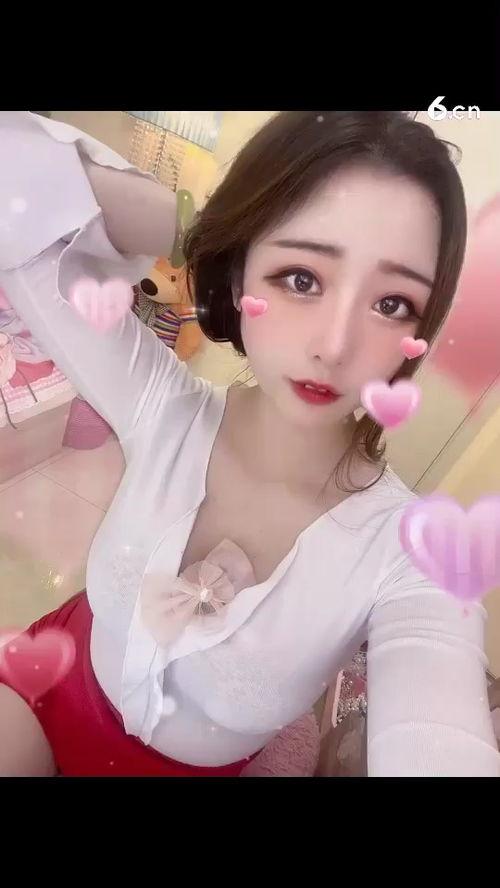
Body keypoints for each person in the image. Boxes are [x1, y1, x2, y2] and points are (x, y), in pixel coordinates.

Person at [0, 110, 499, 777]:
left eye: (391, 304)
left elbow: (438, 735)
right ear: (239, 278)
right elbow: (12, 190)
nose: (334, 346)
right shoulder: (163, 407)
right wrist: (191, 229)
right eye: (301, 278)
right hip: (48, 683)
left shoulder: (411, 557)